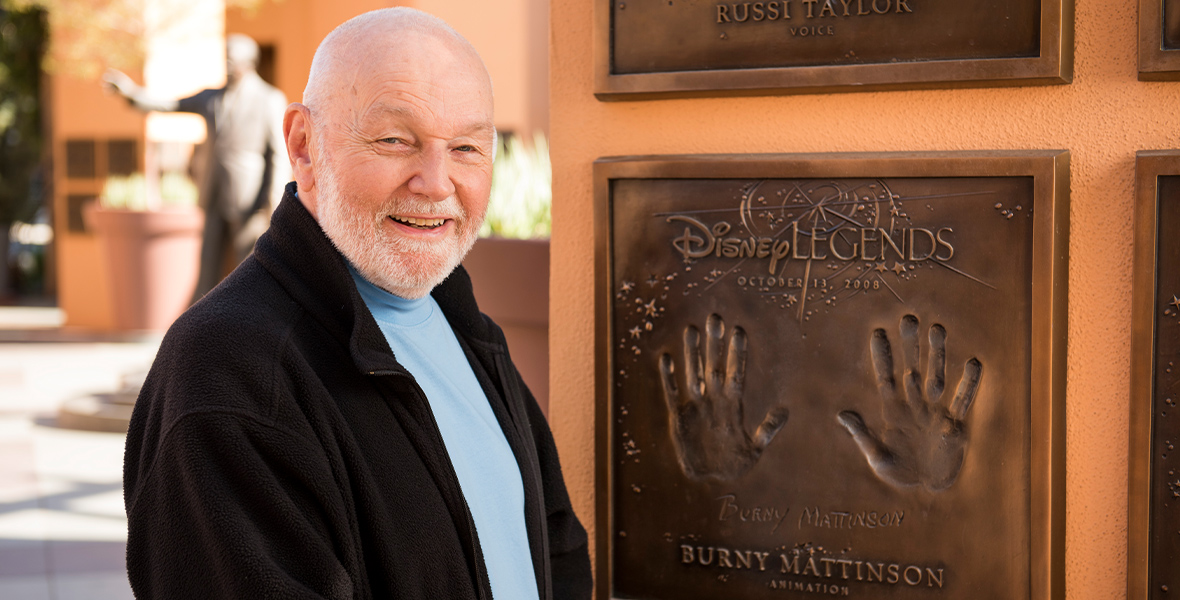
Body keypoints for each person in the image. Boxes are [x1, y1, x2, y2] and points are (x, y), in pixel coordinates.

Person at [122, 9, 592, 600]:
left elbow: (554, 547)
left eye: (467, 148)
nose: (436, 181)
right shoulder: (227, 372)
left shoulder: (465, 327)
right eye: (396, 140)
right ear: (304, 146)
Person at [104, 34, 289, 302]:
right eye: (223, 57)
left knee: (252, 271)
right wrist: (131, 93)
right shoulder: (211, 97)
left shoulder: (269, 98)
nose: (225, 63)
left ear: (248, 62)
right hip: (213, 194)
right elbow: (171, 104)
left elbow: (278, 155)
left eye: (230, 58)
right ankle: (203, 332)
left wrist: (273, 201)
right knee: (207, 270)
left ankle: (252, 332)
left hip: (250, 200)